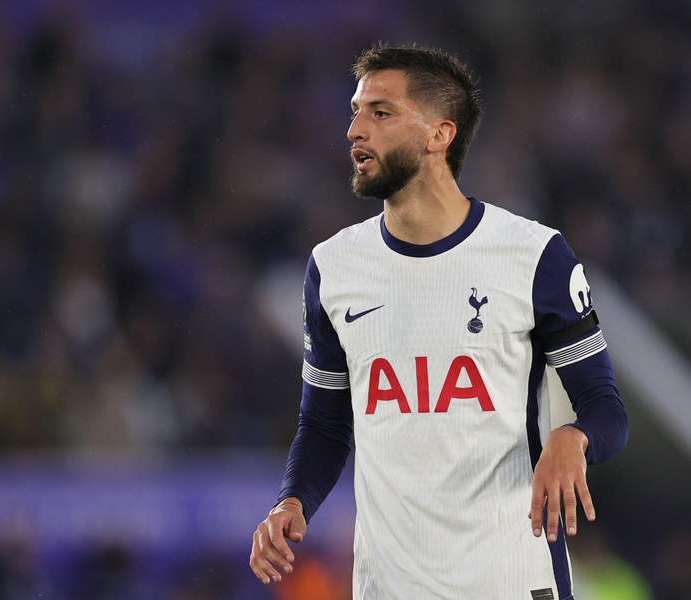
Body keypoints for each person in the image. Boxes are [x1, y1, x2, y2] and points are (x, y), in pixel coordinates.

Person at [248, 43, 629, 600]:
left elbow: (605, 408)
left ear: (439, 134)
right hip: (388, 587)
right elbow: (325, 425)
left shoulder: (533, 256)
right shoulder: (333, 268)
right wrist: (293, 500)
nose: (356, 129)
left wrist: (574, 437)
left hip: (511, 580)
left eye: (380, 112)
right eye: (354, 111)